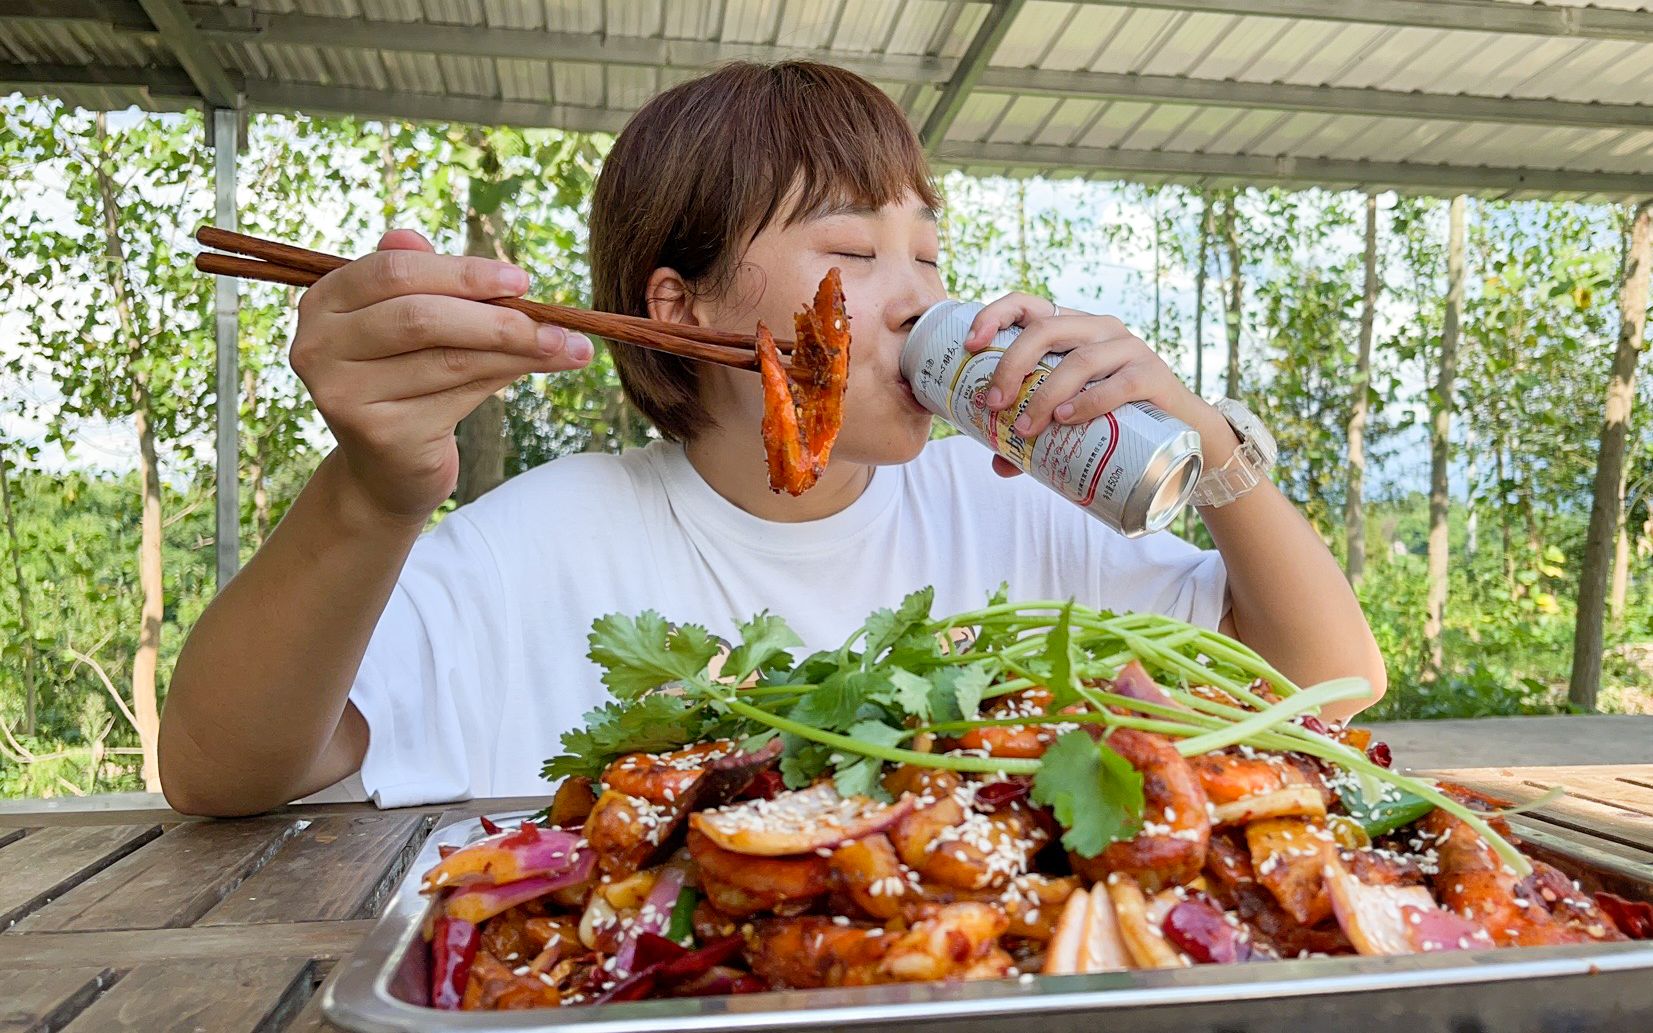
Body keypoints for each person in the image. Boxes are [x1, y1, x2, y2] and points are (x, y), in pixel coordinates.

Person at [159, 61, 1384, 817]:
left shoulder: (1005, 503)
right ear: (680, 307)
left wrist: (1208, 444)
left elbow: (1335, 681)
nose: (914, 296)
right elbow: (222, 770)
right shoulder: (547, 541)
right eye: (852, 254)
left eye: (929, 253)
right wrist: (376, 490)